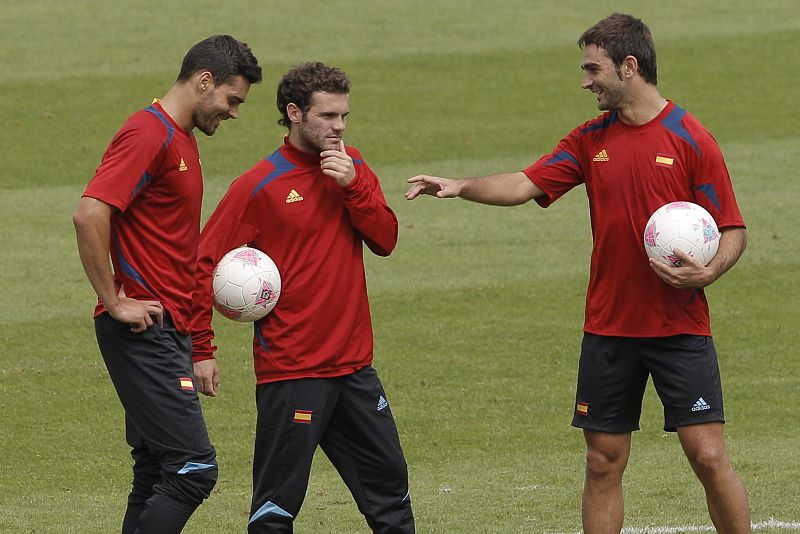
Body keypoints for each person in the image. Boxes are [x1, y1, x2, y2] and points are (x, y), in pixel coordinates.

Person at [405, 13, 751, 534]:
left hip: (679, 328)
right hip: (609, 329)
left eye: (594, 69)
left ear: (629, 66)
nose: (585, 80)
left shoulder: (691, 138)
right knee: (602, 462)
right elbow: (524, 184)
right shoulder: (590, 140)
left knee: (706, 455)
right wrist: (461, 186)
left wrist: (709, 273)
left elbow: (733, 230)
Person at [191, 61, 415, 533]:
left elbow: (386, 239)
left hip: (355, 368)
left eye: (344, 116)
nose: (339, 127)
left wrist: (354, 187)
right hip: (293, 371)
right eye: (329, 116)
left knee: (392, 500)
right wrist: (202, 349)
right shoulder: (259, 186)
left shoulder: (352, 168)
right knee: (275, 510)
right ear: (295, 113)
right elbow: (203, 264)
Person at [72, 35, 262, 533]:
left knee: (156, 468)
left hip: (169, 331)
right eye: (231, 99)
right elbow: (90, 214)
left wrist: (199, 344)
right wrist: (113, 300)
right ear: (204, 81)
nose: (234, 112)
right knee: (193, 469)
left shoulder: (182, 141)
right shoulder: (147, 133)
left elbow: (180, 252)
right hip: (144, 331)